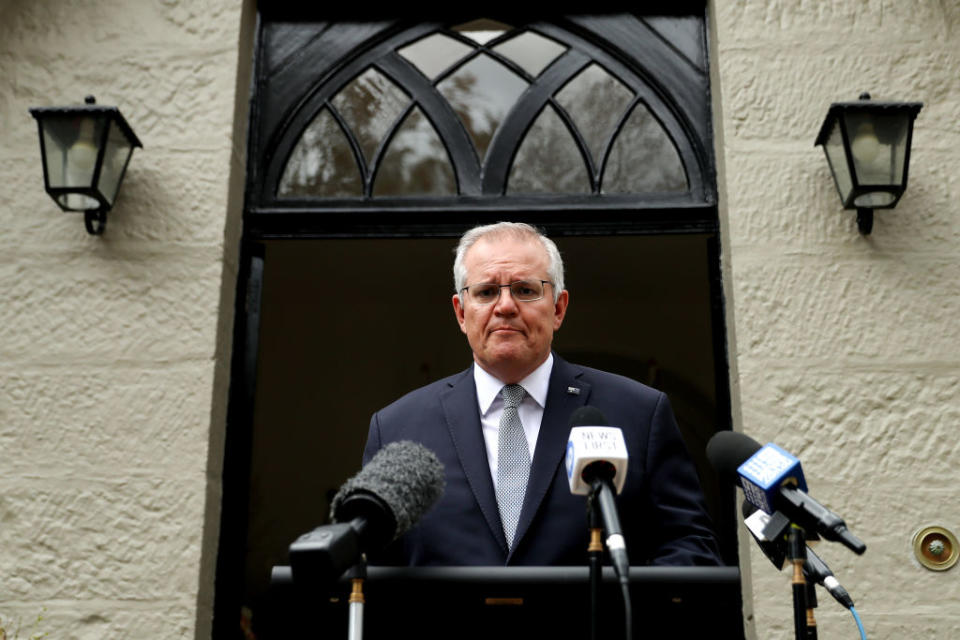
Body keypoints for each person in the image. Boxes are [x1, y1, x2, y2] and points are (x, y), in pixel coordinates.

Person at [362, 222, 720, 566]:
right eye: (486, 292)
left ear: (559, 308)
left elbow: (689, 548)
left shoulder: (639, 413)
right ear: (460, 313)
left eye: (525, 290)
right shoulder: (397, 429)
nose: (504, 306)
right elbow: (371, 567)